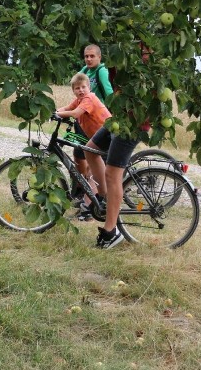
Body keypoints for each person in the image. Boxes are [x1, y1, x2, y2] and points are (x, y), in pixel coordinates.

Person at [84, 43, 151, 249]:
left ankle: (110, 232)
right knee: (90, 149)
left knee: (113, 174)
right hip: (118, 119)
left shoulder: (147, 65)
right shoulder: (119, 54)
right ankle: (104, 197)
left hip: (133, 124)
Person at [55, 73, 111, 221]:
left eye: (83, 87)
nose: (81, 90)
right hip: (99, 139)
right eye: (77, 88)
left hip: (108, 135)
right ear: (73, 90)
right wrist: (54, 112)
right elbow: (67, 108)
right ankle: (90, 205)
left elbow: (74, 113)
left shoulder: (89, 98)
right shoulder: (79, 100)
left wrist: (60, 114)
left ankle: (90, 208)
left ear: (89, 87)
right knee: (89, 169)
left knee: (92, 170)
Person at [70, 44, 114, 184]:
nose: (88, 59)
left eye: (92, 56)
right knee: (78, 154)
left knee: (91, 155)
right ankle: (81, 188)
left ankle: (94, 190)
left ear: (99, 57)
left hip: (94, 119)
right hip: (83, 119)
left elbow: (109, 93)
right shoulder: (84, 70)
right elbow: (76, 88)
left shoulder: (101, 71)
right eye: (86, 56)